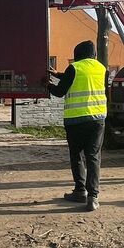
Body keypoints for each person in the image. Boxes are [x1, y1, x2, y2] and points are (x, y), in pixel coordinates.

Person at [48, 40, 108, 211]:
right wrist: (59, 74)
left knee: (77, 155)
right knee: (93, 156)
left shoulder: (74, 68)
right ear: (93, 54)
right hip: (97, 119)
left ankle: (80, 190)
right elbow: (84, 81)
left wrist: (47, 84)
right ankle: (93, 197)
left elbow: (60, 92)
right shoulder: (102, 69)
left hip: (75, 121)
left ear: (77, 54)